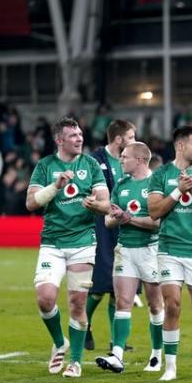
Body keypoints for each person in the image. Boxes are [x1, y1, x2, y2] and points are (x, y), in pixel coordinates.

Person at [26, 117, 109, 378]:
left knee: (76, 302)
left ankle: (75, 361)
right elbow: (31, 203)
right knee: (45, 298)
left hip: (83, 243)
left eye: (80, 134)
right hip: (52, 242)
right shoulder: (45, 166)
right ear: (59, 140)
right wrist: (55, 186)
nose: (79, 139)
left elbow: (106, 204)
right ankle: (59, 341)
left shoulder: (91, 165)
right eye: (73, 135)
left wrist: (94, 204)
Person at [147, 126, 192, 381]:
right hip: (169, 249)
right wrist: (177, 191)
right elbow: (154, 211)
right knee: (172, 306)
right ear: (180, 146)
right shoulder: (161, 175)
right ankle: (171, 367)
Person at [96, 142, 163, 373]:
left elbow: (157, 223)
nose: (120, 160)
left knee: (155, 305)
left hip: (151, 251)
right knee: (123, 303)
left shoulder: (156, 184)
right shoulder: (121, 185)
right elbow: (107, 221)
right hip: (125, 249)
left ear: (140, 160)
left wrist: (128, 218)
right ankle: (117, 355)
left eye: (124, 157)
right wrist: (117, 217)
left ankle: (156, 356)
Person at [85, 119, 137, 352]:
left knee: (121, 288)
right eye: (131, 137)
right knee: (99, 286)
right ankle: (82, 324)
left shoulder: (131, 161)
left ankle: (118, 341)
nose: (134, 141)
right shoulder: (96, 160)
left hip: (125, 228)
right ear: (119, 139)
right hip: (102, 228)